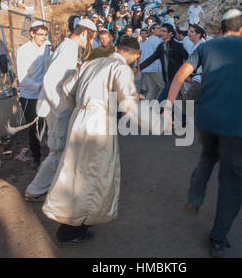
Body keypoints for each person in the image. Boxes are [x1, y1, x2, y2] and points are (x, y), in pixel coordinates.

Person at [165, 9, 242, 258]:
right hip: (232, 124)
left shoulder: (206, 48)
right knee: (233, 181)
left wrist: (168, 106)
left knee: (209, 155)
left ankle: (195, 196)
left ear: (221, 29)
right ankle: (218, 237)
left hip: (205, 118)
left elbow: (180, 75)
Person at [42, 38, 160, 243]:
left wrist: (75, 109)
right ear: (137, 55)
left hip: (79, 119)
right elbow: (130, 106)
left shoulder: (90, 63)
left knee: (75, 172)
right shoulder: (121, 68)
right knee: (94, 177)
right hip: (98, 124)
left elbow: (67, 88)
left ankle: (70, 223)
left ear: (116, 49)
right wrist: (157, 125)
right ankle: (72, 229)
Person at [24, 20, 97, 201]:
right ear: (84, 33)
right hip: (58, 109)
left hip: (58, 107)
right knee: (58, 151)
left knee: (60, 150)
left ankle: (53, 187)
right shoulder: (69, 49)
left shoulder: (67, 46)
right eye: (89, 39)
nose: (88, 44)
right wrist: (62, 109)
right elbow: (50, 81)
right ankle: (35, 190)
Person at [16, 21, 50, 170]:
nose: (43, 38)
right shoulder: (23, 51)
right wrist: (38, 86)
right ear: (32, 33)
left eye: (45, 34)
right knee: (35, 127)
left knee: (47, 124)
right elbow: (22, 77)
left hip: (44, 93)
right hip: (29, 95)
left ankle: (50, 156)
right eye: (40, 34)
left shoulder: (46, 48)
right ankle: (36, 157)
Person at [140, 23, 189, 102]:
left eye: (163, 31)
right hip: (158, 70)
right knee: (162, 91)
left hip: (169, 75)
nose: (160, 32)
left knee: (156, 91)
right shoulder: (160, 44)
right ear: (152, 30)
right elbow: (153, 58)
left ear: (170, 33)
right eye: (159, 29)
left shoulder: (176, 45)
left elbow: (188, 58)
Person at [139, 23, 164, 100]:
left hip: (147, 69)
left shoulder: (148, 41)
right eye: (157, 28)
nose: (160, 30)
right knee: (165, 88)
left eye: (160, 28)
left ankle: (147, 107)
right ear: (152, 30)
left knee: (153, 89)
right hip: (155, 68)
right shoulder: (158, 41)